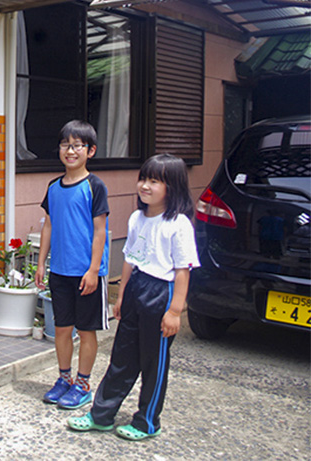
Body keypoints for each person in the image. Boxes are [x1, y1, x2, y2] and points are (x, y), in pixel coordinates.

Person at [67, 153, 200, 441]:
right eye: (143, 179)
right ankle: (101, 415)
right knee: (122, 358)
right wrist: (121, 297)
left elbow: (182, 272)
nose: (145, 186)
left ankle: (147, 422)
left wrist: (175, 311)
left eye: (155, 181)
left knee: (153, 362)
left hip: (161, 292)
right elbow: (129, 260)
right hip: (137, 287)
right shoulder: (137, 217)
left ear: (173, 187)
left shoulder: (178, 224)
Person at [34, 120, 110, 409]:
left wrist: (93, 270)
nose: (70, 150)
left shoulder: (95, 186)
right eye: (66, 144)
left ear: (90, 151)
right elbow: (49, 226)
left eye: (77, 145)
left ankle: (82, 383)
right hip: (60, 272)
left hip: (86, 273)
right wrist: (42, 264)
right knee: (62, 329)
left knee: (86, 330)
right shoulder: (53, 187)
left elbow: (100, 230)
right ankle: (64, 378)